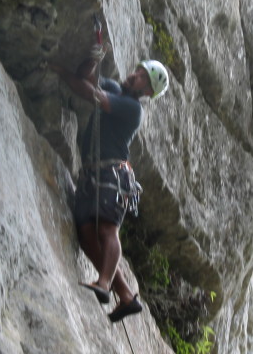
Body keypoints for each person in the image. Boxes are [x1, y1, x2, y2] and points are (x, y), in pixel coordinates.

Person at [51, 46, 170, 323]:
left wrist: (63, 73)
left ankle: (104, 284)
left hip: (112, 176)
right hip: (93, 174)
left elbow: (90, 93)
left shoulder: (132, 109)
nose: (135, 75)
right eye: (138, 71)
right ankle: (126, 296)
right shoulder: (115, 87)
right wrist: (93, 57)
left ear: (147, 92)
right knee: (84, 232)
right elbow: (88, 80)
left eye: (142, 78)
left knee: (106, 229)